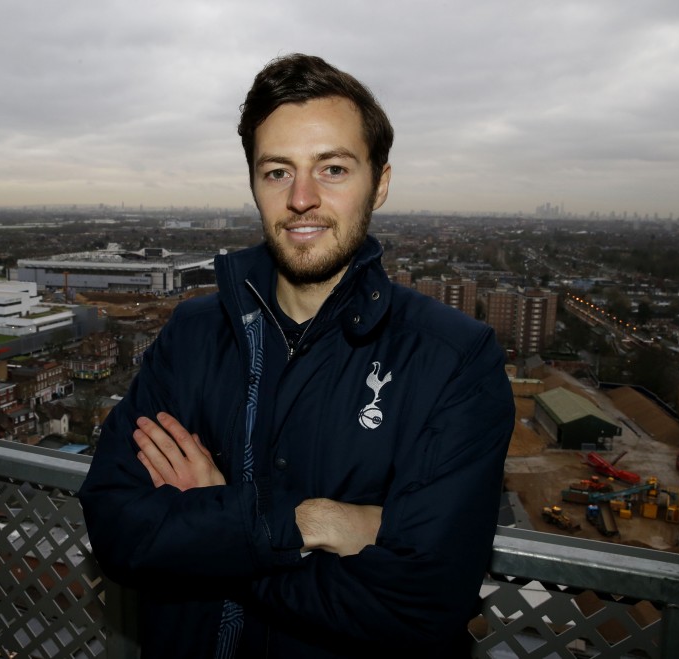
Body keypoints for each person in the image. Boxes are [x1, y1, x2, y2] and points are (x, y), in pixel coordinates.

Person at [78, 53, 514, 658]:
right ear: (254, 184)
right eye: (277, 171)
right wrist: (310, 524)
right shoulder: (195, 333)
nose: (302, 197)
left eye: (332, 168)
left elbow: (419, 604)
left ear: (380, 183)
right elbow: (116, 527)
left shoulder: (451, 360)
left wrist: (210, 523)